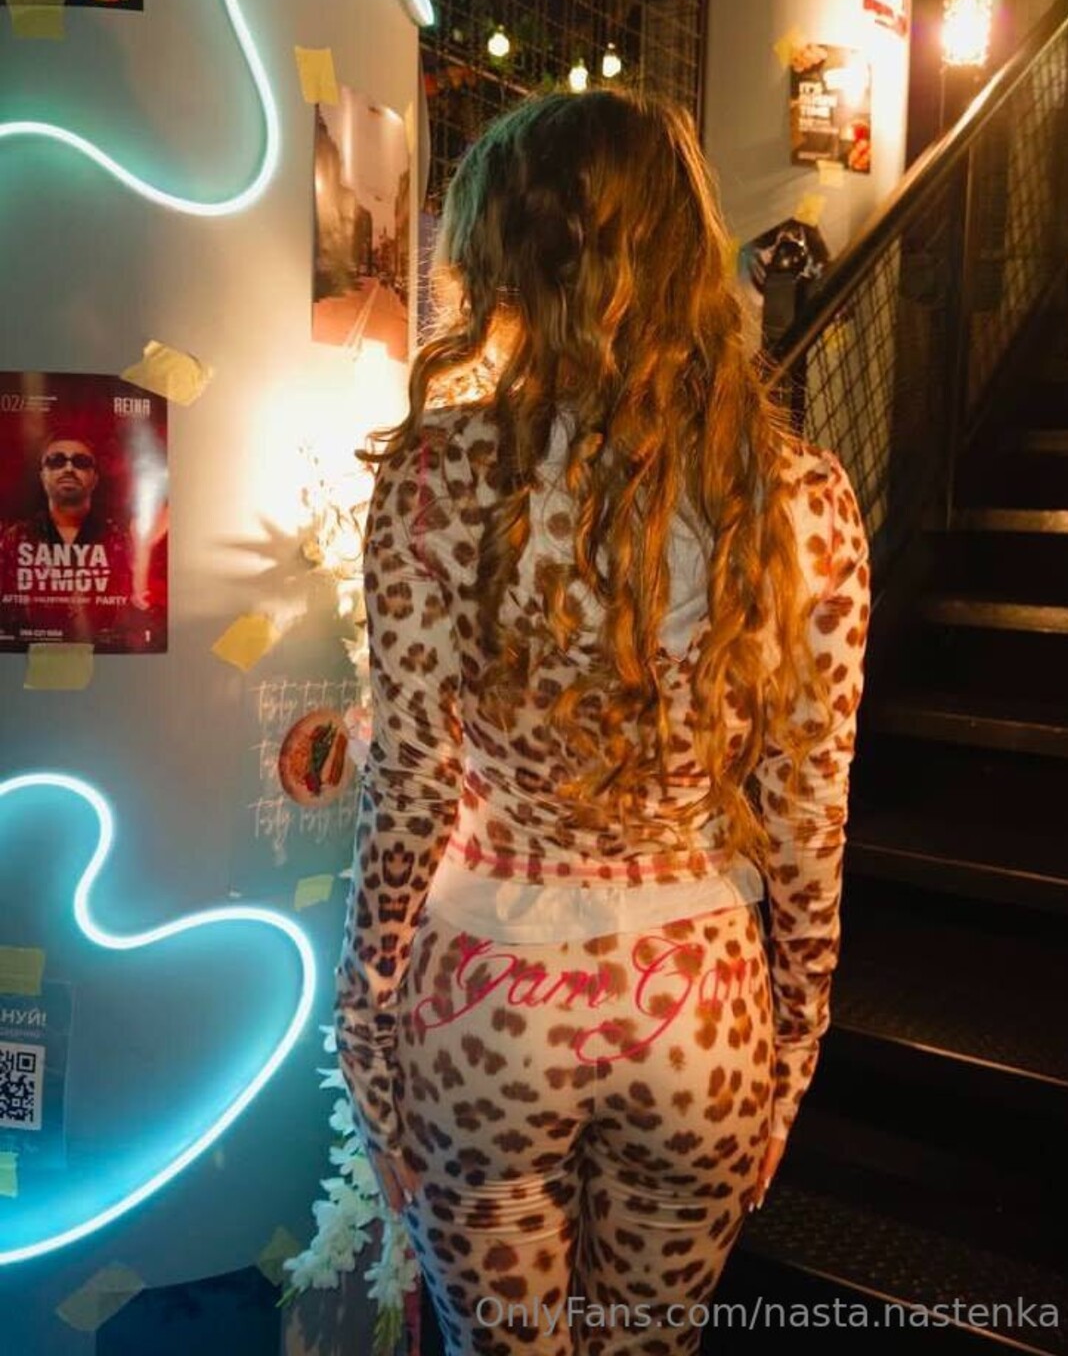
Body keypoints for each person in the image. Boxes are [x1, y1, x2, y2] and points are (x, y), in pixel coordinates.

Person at [335, 90, 870, 1355]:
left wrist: (362, 1023)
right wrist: (794, 1048)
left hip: (486, 999)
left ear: (511, 259)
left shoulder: (436, 474)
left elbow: (413, 785)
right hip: (701, 1006)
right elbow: (808, 813)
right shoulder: (803, 492)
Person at [0, 433, 156, 650]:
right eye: (56, 461)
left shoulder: (122, 539)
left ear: (94, 478)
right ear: (43, 475)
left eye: (80, 462)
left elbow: (137, 613)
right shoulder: (13, 539)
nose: (68, 468)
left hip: (109, 658)